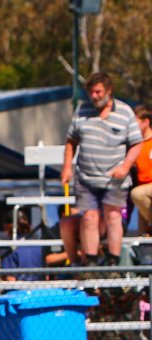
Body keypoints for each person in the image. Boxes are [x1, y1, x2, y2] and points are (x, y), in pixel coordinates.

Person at [61, 72, 142, 266]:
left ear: (109, 90)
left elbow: (136, 144)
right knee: (89, 217)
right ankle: (90, 262)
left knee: (113, 216)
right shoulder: (82, 111)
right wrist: (66, 168)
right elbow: (71, 141)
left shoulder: (124, 113)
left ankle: (114, 261)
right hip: (86, 178)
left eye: (98, 92)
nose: (94, 96)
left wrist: (125, 167)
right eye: (91, 92)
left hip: (115, 179)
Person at [130, 105, 152, 236]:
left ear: (146, 122)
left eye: (135, 123)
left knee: (137, 194)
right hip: (143, 191)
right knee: (142, 236)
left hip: (145, 190)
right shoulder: (135, 144)